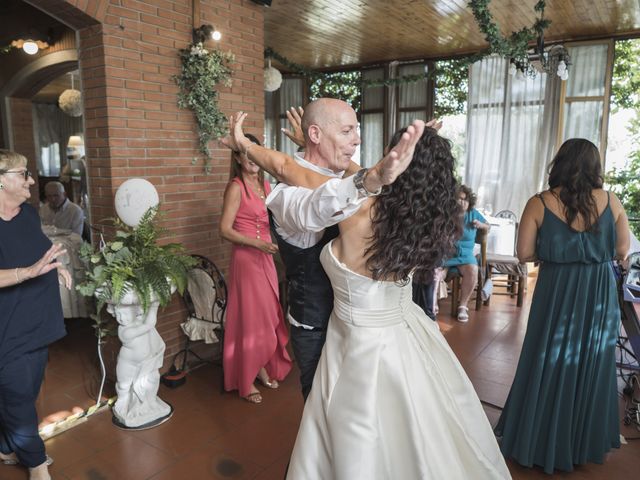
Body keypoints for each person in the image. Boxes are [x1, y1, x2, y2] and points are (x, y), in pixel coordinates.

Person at [224, 114, 511, 479]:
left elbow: (286, 168)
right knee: (416, 428)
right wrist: (312, 149)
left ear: (394, 161)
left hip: (357, 345)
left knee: (354, 436)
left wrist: (243, 143)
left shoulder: (360, 211)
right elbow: (358, 178)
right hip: (406, 332)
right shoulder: (421, 219)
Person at [495, 138, 630, 474]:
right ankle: (581, 443)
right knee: (592, 363)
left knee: (547, 358)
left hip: (556, 289)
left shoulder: (539, 202)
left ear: (559, 164)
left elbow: (523, 253)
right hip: (598, 291)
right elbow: (622, 250)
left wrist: (559, 252)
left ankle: (540, 439)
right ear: (595, 168)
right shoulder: (611, 201)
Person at [0, 149, 72, 480]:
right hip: (8, 327)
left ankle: (6, 446)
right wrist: (27, 273)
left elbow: (38, 247)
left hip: (39, 319)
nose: (31, 180)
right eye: (23, 173)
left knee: (26, 389)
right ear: (1, 181)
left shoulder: (27, 214)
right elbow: (25, 268)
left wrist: (53, 267)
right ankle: (37, 464)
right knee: (16, 395)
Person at [219, 134, 292, 404]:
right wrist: (256, 244)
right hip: (247, 261)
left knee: (269, 315)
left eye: (255, 153)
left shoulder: (265, 184)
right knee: (252, 318)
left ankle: (260, 365)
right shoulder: (235, 187)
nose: (251, 160)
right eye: (245, 154)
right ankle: (246, 377)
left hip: (266, 258)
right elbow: (224, 230)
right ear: (237, 158)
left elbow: (277, 220)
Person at [442, 185, 490, 322]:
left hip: (465, 255)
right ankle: (433, 306)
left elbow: (488, 225)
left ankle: (463, 306)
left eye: (465, 199)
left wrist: (481, 225)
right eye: (459, 199)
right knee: (436, 271)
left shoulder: (473, 213)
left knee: (473, 270)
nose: (462, 202)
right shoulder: (447, 213)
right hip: (447, 253)